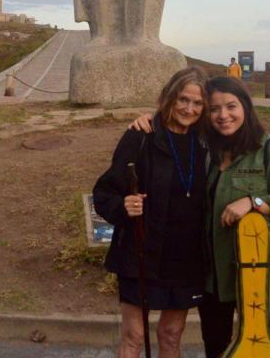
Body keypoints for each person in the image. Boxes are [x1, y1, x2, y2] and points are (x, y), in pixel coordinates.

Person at [132, 76, 270, 357]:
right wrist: (148, 120)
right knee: (215, 346)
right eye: (214, 109)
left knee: (253, 345)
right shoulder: (204, 150)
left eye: (231, 106)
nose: (223, 115)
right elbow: (173, 128)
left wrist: (253, 201)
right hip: (212, 274)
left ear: (245, 107)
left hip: (258, 270)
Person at [93, 66, 210, 358]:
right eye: (183, 99)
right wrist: (123, 205)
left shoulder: (206, 143)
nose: (189, 108)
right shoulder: (141, 136)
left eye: (197, 103)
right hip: (141, 252)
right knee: (134, 337)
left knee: (171, 336)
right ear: (169, 97)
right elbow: (105, 192)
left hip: (186, 257)